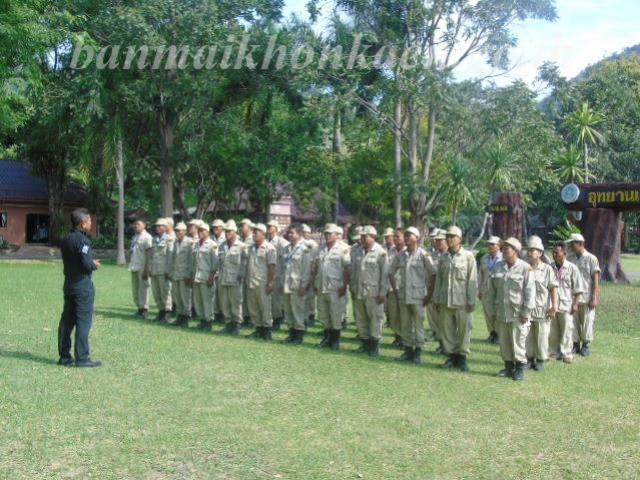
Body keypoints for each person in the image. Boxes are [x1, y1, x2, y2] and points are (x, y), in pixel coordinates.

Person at [486, 238, 535, 381]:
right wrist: (491, 310)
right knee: (504, 341)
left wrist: (526, 311)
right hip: (502, 311)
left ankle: (519, 369)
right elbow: (492, 290)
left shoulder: (525, 268)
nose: (503, 251)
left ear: (515, 251)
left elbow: (530, 292)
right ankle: (508, 367)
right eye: (503, 248)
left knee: (518, 341)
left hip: (518, 313)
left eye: (506, 248)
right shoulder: (498, 266)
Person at [57, 208, 101, 367]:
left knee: (67, 320)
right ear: (83, 224)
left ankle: (64, 356)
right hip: (82, 286)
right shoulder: (83, 241)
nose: (91, 223)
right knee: (83, 321)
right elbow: (86, 264)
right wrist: (94, 264)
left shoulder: (66, 239)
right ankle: (82, 358)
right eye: (89, 221)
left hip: (69, 284)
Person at [389, 227, 436, 364]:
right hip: (404, 295)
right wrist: (395, 290)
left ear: (417, 238)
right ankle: (408, 350)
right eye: (406, 235)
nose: (407, 238)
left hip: (418, 296)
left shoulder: (423, 255)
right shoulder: (401, 255)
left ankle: (418, 352)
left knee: (418, 324)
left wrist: (429, 294)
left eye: (410, 235)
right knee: (405, 324)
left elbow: (433, 274)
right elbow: (391, 272)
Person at [433, 226, 477, 372]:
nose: (449, 239)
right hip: (445, 299)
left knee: (464, 329)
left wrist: (471, 300)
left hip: (462, 301)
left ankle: (462, 358)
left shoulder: (468, 257)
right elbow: (439, 280)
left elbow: (472, 280)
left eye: (453, 236)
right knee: (447, 329)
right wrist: (437, 299)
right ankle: (451, 357)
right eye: (448, 236)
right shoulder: (443, 257)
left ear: (460, 239)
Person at [312, 223, 351, 350]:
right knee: (323, 314)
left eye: (330, 234)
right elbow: (316, 267)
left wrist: (344, 285)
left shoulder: (343, 249)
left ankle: (335, 341)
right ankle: (327, 337)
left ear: (336, 235)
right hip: (322, 286)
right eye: (326, 234)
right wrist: (314, 282)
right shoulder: (321, 248)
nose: (327, 236)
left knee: (335, 314)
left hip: (335, 287)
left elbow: (347, 268)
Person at [352, 226, 389, 357]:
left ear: (373, 237)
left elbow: (385, 274)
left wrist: (383, 292)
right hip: (359, 291)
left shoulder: (381, 252)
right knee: (361, 319)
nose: (362, 239)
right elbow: (354, 272)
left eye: (365, 236)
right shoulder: (358, 251)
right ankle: (364, 343)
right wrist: (352, 287)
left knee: (375, 319)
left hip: (374, 293)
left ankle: (374, 346)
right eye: (361, 236)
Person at [524, 236, 559, 372]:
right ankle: (529, 358)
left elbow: (553, 288)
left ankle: (540, 360)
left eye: (533, 250)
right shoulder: (524, 267)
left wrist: (554, 307)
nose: (530, 252)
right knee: (527, 335)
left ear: (540, 253)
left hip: (542, 308)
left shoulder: (547, 269)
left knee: (542, 335)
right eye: (529, 250)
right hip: (527, 308)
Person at [550, 242, 584, 364]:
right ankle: (554, 352)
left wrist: (576, 304)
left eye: (557, 253)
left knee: (567, 330)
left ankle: (566, 353)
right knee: (553, 330)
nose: (554, 255)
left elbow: (578, 288)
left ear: (564, 253)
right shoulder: (550, 267)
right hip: (552, 305)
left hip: (566, 304)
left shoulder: (572, 268)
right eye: (553, 253)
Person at [567, 233, 601, 357]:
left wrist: (594, 297)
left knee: (587, 322)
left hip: (586, 296)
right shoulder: (570, 258)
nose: (571, 246)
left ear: (581, 244)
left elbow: (596, 279)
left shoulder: (591, 258)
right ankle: (575, 344)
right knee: (573, 322)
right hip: (572, 296)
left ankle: (586, 345)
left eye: (573, 243)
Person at [244, 223, 278, 340]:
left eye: (256, 232)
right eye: (253, 232)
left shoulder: (269, 248)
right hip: (252, 282)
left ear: (263, 234)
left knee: (265, 308)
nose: (254, 234)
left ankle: (267, 331)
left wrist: (271, 283)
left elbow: (272, 267)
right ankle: (258, 329)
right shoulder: (251, 248)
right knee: (253, 308)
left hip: (263, 283)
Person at [281, 224, 313, 344]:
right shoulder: (286, 248)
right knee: (288, 311)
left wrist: (304, 286)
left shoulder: (304, 250)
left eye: (292, 233)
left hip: (297, 285)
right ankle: (291, 333)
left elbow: (306, 270)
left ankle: (299, 335)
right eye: (289, 233)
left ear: (299, 234)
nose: (290, 235)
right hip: (286, 284)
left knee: (298, 311)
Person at [218, 220, 248, 335]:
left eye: (230, 231)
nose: (227, 233)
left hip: (236, 279)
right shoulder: (222, 246)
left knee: (236, 303)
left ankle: (236, 325)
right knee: (225, 303)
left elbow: (244, 263)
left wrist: (242, 275)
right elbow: (219, 262)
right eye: (226, 231)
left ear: (235, 232)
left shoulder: (241, 246)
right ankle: (228, 324)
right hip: (224, 278)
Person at [145, 218, 174, 323]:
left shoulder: (170, 239)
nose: (158, 227)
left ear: (165, 227)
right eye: (157, 226)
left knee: (165, 292)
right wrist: (149, 269)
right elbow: (151, 256)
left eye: (160, 226)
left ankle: (167, 313)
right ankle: (161, 311)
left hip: (163, 271)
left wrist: (169, 270)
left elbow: (170, 256)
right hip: (154, 270)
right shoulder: (154, 239)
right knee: (156, 292)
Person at [191, 222, 218, 331]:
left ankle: (208, 322)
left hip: (206, 277)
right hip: (197, 277)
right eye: (199, 230)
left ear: (207, 231)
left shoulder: (212, 245)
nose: (200, 232)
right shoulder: (197, 244)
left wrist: (212, 276)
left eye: (202, 230)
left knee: (207, 301)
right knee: (198, 300)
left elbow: (215, 263)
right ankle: (202, 320)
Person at [168, 222, 194, 327]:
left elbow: (191, 261)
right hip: (176, 274)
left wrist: (189, 275)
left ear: (185, 231)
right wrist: (171, 273)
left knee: (185, 297)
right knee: (177, 296)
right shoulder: (175, 243)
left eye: (180, 231)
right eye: (176, 230)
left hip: (184, 275)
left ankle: (186, 317)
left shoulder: (189, 243)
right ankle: (180, 316)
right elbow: (173, 259)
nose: (178, 232)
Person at [478, 236, 502, 344]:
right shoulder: (484, 258)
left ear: (499, 246)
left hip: (499, 290)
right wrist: (479, 289)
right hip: (486, 289)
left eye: (493, 244)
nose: (490, 246)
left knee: (498, 313)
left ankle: (498, 334)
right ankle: (492, 333)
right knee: (488, 312)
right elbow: (480, 274)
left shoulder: (503, 258)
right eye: (489, 244)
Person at [267, 220, 290, 331]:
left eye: (270, 226)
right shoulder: (266, 241)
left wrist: (282, 276)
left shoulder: (282, 242)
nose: (268, 228)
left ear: (276, 228)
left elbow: (285, 260)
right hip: (267, 274)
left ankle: (277, 320)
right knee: (268, 299)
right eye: (268, 226)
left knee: (276, 300)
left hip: (278, 275)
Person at [129, 219, 152, 319]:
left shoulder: (147, 237)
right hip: (134, 266)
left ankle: (144, 310)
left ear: (144, 226)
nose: (136, 226)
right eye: (135, 224)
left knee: (144, 289)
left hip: (143, 267)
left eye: (138, 224)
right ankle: (139, 309)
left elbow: (149, 253)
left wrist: (147, 269)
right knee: (136, 289)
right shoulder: (135, 237)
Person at [387, 228, 405, 347]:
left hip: (404, 289)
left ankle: (404, 339)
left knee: (404, 315)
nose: (395, 238)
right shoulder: (390, 251)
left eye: (398, 236)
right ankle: (398, 336)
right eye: (394, 236)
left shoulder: (408, 251)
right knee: (393, 315)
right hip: (391, 288)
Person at [302, 224, 318, 326]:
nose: (305, 234)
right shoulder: (300, 243)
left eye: (307, 232)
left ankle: (311, 314)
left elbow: (315, 258)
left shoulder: (312, 244)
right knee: (303, 296)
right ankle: (304, 316)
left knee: (311, 296)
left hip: (311, 271)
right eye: (304, 232)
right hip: (302, 271)